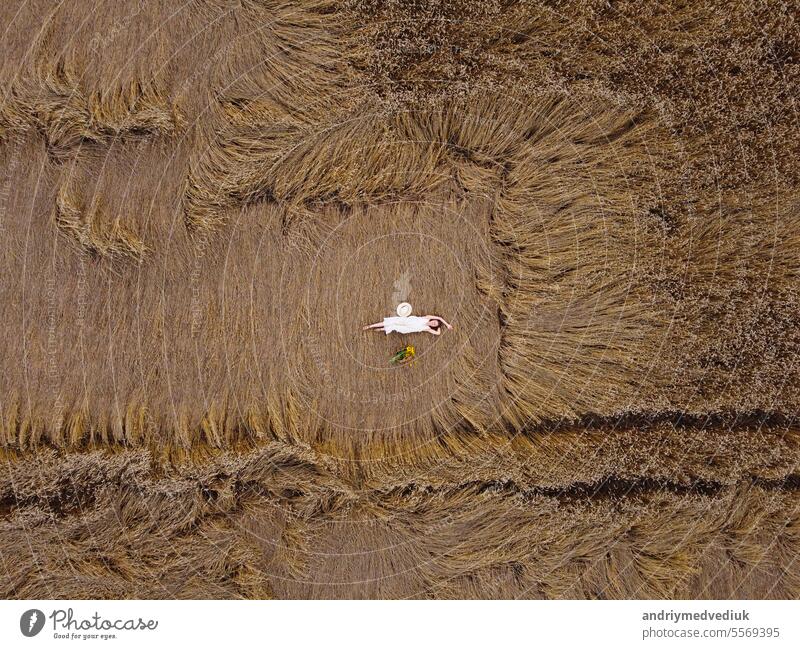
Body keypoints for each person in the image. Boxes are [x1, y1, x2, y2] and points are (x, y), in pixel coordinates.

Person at [363, 314, 453, 336]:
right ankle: (370, 326)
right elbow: (439, 318)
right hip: (406, 320)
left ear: (433, 326)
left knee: (394, 327)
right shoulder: (427, 317)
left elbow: (438, 333)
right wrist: (447, 324)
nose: (433, 323)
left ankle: (381, 329)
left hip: (408, 329)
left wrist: (440, 328)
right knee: (390, 321)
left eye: (434, 324)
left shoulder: (428, 328)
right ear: (433, 319)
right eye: (434, 321)